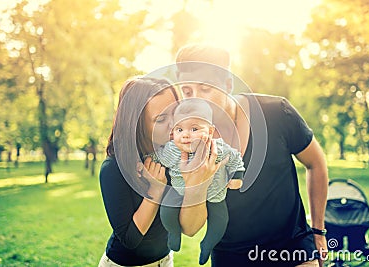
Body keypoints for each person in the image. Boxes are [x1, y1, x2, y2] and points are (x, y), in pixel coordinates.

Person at [174, 44, 329, 267]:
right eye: (187, 91)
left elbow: (316, 163)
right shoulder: (188, 141)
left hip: (293, 251)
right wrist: (198, 182)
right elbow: (190, 228)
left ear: (228, 84)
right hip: (230, 258)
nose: (196, 99)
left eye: (205, 88)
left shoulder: (277, 112)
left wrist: (318, 230)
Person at [147, 98, 245, 265]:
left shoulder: (219, 149)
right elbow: (157, 156)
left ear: (211, 131)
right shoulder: (172, 150)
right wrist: (146, 161)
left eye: (194, 129)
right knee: (166, 211)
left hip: (215, 194)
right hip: (180, 191)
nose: (185, 135)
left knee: (220, 223)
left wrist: (237, 176)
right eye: (179, 129)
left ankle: (208, 244)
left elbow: (235, 158)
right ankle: (174, 232)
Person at [98, 77, 180, 267]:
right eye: (161, 119)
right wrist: (155, 191)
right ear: (136, 123)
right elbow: (130, 239)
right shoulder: (114, 169)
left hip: (165, 260)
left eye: (176, 112)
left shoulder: (171, 154)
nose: (174, 124)